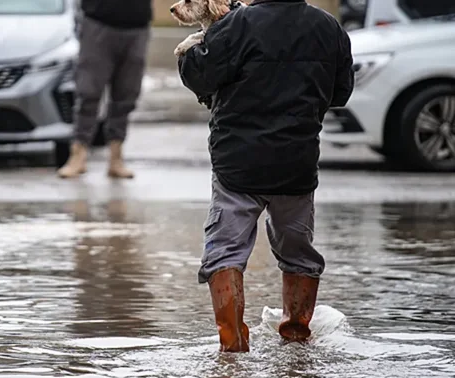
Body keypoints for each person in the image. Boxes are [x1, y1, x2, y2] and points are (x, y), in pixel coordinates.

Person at [177, 0, 354, 352]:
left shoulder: (236, 25)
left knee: (226, 251)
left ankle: (233, 344)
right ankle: (295, 337)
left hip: (237, 165)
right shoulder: (328, 27)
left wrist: (187, 56)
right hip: (296, 164)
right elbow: (341, 93)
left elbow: (200, 74)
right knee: (298, 251)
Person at [57, 0, 152, 179]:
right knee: (88, 92)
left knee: (126, 95)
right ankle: (78, 155)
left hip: (137, 26)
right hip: (98, 23)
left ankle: (116, 158)